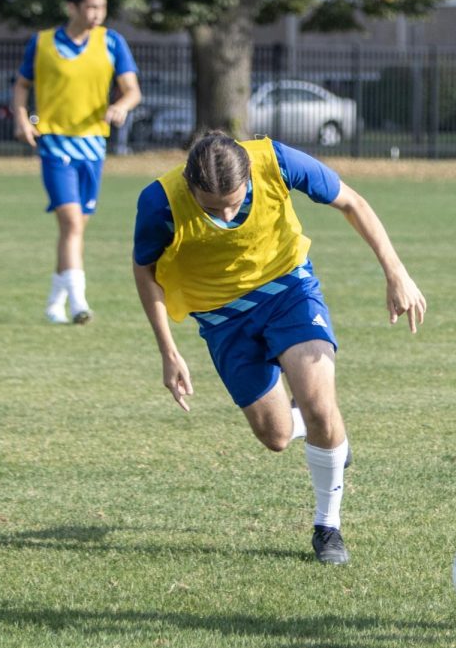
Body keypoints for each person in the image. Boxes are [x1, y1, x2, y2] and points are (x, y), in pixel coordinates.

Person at [132, 132, 426, 564]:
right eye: (212, 208)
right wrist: (168, 350)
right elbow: (146, 272)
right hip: (222, 317)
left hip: (289, 290)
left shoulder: (276, 161)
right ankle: (327, 440)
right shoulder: (160, 202)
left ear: (249, 175)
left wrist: (396, 272)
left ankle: (328, 527)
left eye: (234, 201)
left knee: (319, 405)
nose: (227, 214)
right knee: (276, 436)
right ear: (190, 184)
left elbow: (352, 202)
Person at [13, 0, 141, 325]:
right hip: (55, 144)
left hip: (93, 148)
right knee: (71, 223)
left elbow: (132, 89)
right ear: (72, 6)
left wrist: (121, 106)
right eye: (90, 6)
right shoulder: (41, 44)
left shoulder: (112, 42)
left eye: (102, 7)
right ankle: (80, 303)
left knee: (75, 229)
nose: (97, 14)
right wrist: (23, 119)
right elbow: (22, 86)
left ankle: (54, 303)